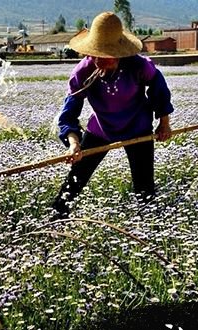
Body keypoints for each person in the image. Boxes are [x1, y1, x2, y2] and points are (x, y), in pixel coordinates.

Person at [52, 11, 174, 219]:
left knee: (144, 184)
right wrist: (74, 143)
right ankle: (56, 217)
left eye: (106, 55)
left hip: (138, 126)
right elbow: (69, 113)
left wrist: (164, 123)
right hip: (102, 127)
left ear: (119, 53)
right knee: (77, 177)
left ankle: (150, 224)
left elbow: (158, 88)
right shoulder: (82, 72)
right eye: (95, 53)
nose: (99, 59)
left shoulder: (138, 65)